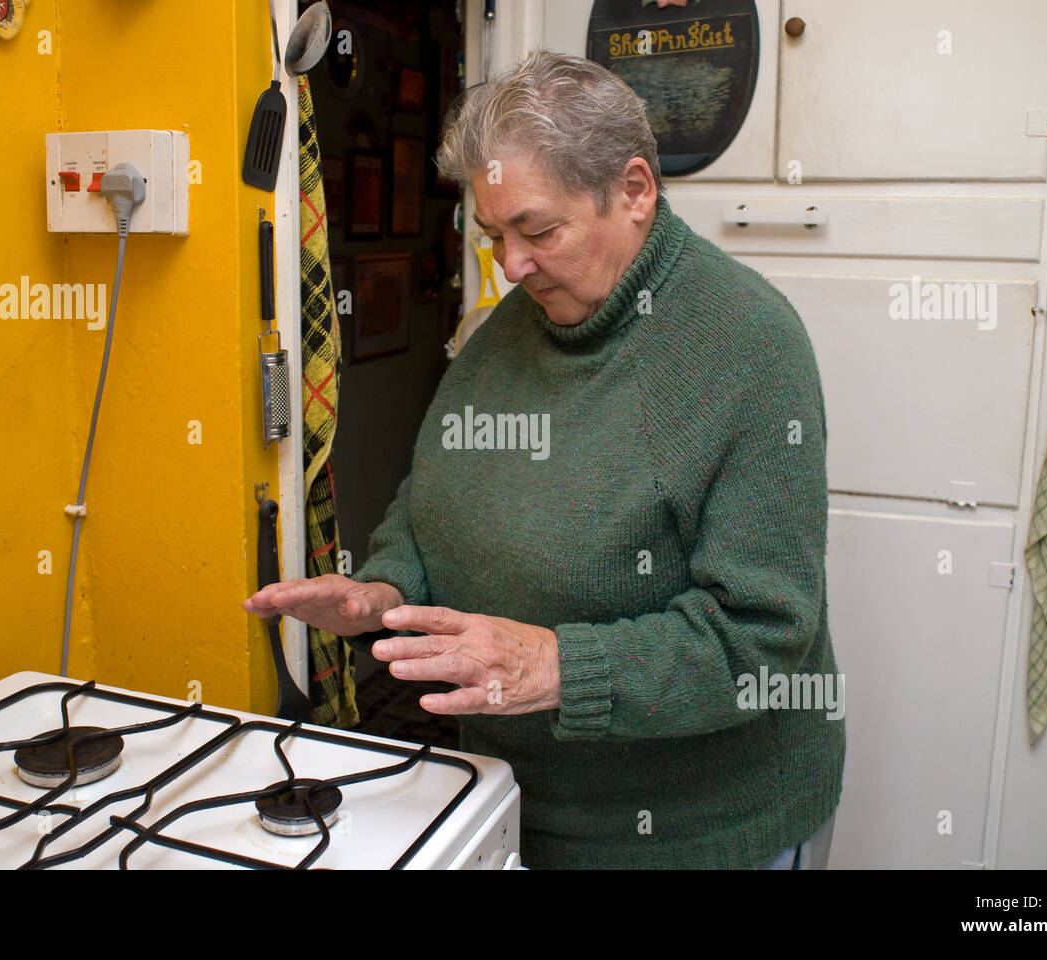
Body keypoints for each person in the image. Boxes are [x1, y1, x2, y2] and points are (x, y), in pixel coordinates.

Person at [244, 49, 845, 869]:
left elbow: (762, 637)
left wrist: (556, 666)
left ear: (635, 191)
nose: (511, 265)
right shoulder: (501, 338)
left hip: (698, 836)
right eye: (493, 235)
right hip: (508, 803)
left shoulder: (750, 346)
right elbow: (433, 505)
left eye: (538, 230)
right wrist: (383, 592)